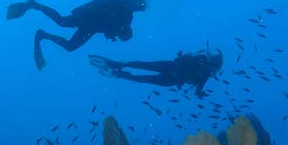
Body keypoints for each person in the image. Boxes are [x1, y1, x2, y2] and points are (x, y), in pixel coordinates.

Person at [7, 0, 146, 70]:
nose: (134, 7)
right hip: (87, 18)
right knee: (61, 22)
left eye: (137, 7)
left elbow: (115, 32)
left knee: (70, 46)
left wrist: (124, 34)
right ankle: (34, 5)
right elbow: (100, 5)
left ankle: (42, 34)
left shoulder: (128, 17)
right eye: (136, 3)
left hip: (91, 27)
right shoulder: (119, 0)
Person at [88, 48, 223, 98]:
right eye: (211, 69)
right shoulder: (200, 60)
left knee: (143, 77)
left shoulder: (205, 77)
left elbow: (198, 90)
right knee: (144, 65)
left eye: (213, 72)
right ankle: (118, 65)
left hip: (171, 80)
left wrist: (200, 94)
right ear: (209, 63)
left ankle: (120, 73)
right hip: (171, 68)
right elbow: (187, 60)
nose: (210, 73)